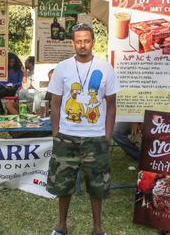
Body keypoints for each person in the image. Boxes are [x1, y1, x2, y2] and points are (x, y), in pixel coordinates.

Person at [47, 23, 119, 235]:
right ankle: (61, 226)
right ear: (73, 43)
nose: (82, 45)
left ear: (93, 43)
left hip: (95, 138)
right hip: (66, 136)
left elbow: (112, 105)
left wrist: (107, 135)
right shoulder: (63, 67)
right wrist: (55, 133)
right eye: (78, 41)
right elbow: (56, 103)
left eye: (86, 41)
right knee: (63, 184)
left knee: (97, 186)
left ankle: (97, 228)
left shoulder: (105, 68)